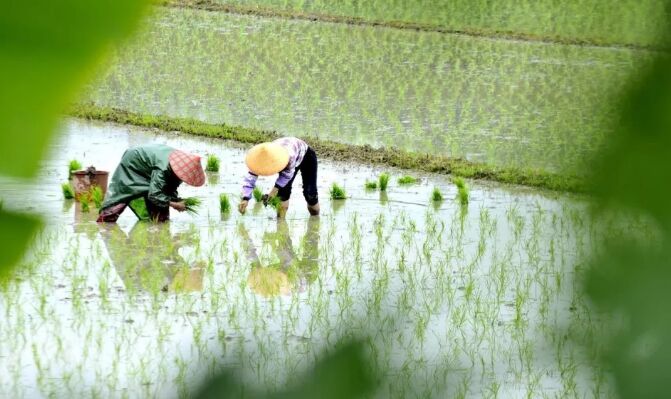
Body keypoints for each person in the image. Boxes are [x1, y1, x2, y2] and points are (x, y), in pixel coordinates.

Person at [97, 144, 205, 223]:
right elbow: (154, 195)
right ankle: (104, 223)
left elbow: (170, 188)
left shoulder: (179, 168)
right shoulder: (163, 168)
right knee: (121, 196)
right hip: (133, 164)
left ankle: (156, 232)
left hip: (149, 168)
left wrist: (178, 200)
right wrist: (175, 204)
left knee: (161, 219)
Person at [238, 137, 319, 218]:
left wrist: (272, 193)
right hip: (286, 152)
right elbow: (250, 179)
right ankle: (280, 223)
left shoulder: (288, 156)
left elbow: (287, 175)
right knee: (283, 193)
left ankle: (315, 218)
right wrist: (245, 198)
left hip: (306, 156)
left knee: (310, 194)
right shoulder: (258, 159)